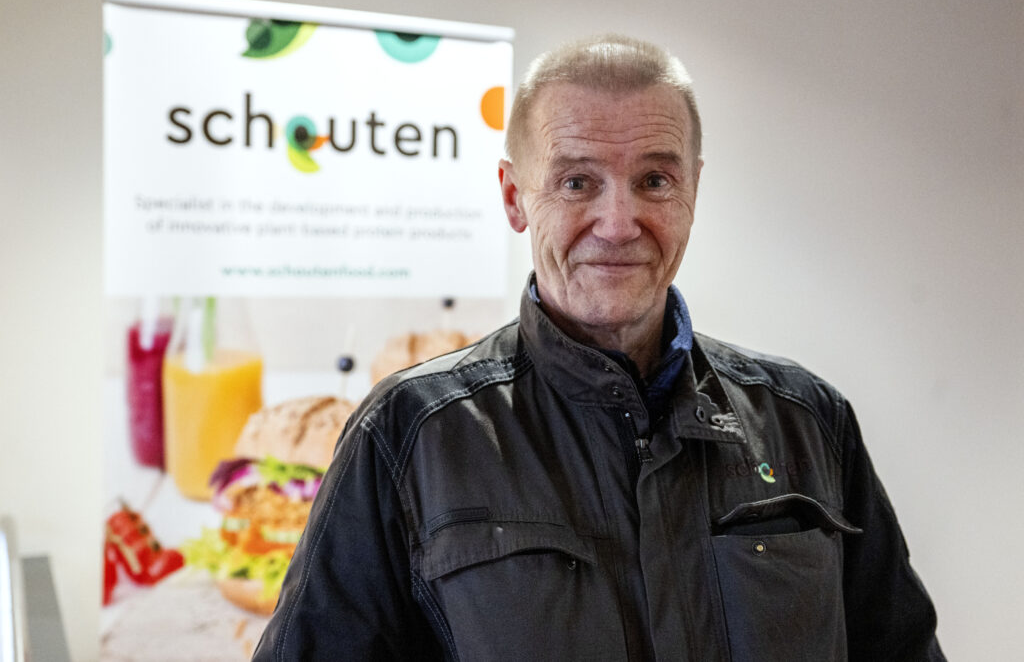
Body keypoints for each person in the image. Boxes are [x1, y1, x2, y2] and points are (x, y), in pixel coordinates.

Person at [254, 34, 944, 661]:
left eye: (654, 181)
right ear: (514, 197)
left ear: (693, 189)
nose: (618, 223)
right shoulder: (408, 436)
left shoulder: (809, 421)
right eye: (577, 182)